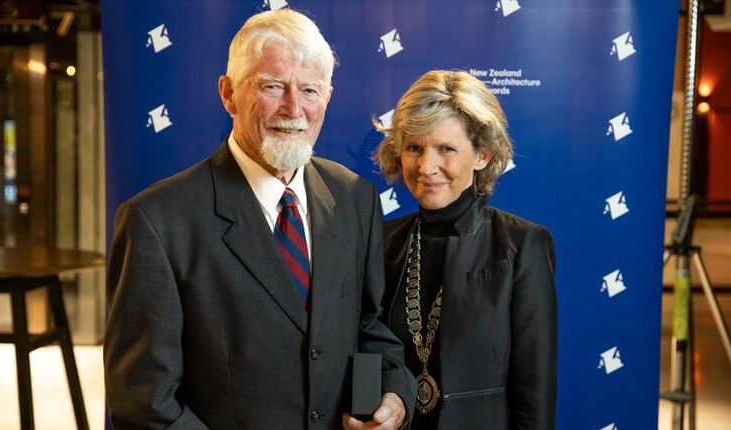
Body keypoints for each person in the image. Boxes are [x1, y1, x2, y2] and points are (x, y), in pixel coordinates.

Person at [104, 9, 415, 430]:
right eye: (272, 86)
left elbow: (369, 326)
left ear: (327, 97)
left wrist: (393, 394)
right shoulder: (158, 221)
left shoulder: (354, 198)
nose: (294, 108)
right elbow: (143, 399)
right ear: (228, 94)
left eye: (309, 89)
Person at [373, 70, 557, 429]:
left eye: (446, 149)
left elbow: (534, 393)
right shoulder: (379, 241)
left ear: (483, 156)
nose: (427, 167)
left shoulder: (521, 245)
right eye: (414, 148)